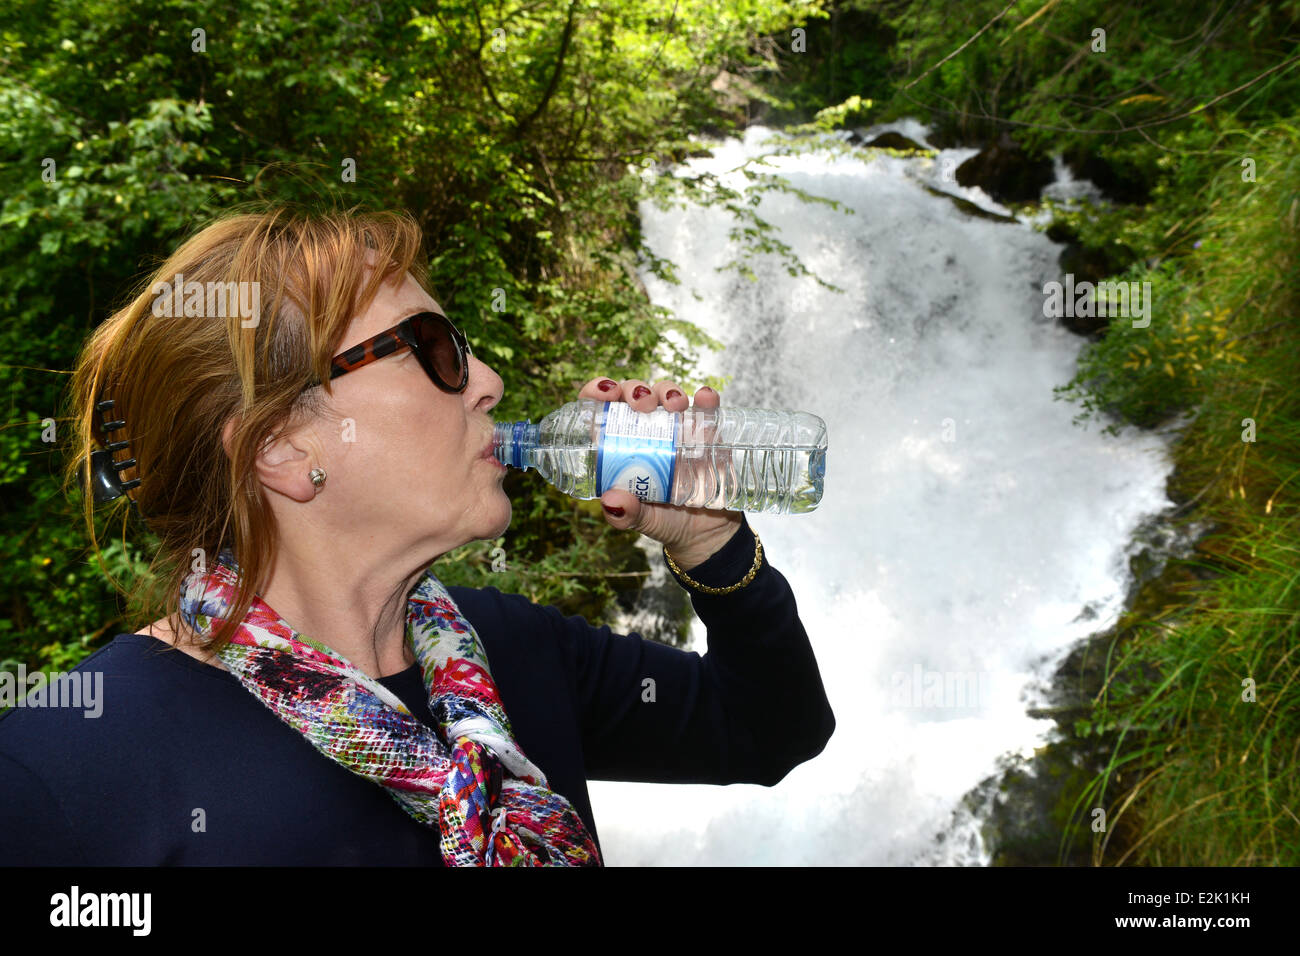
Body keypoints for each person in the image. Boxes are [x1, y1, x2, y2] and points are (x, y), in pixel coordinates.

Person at [0, 207, 835, 866]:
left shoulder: (512, 648)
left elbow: (769, 731)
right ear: (282, 448)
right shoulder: (68, 766)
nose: (489, 383)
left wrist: (705, 538)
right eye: (436, 351)